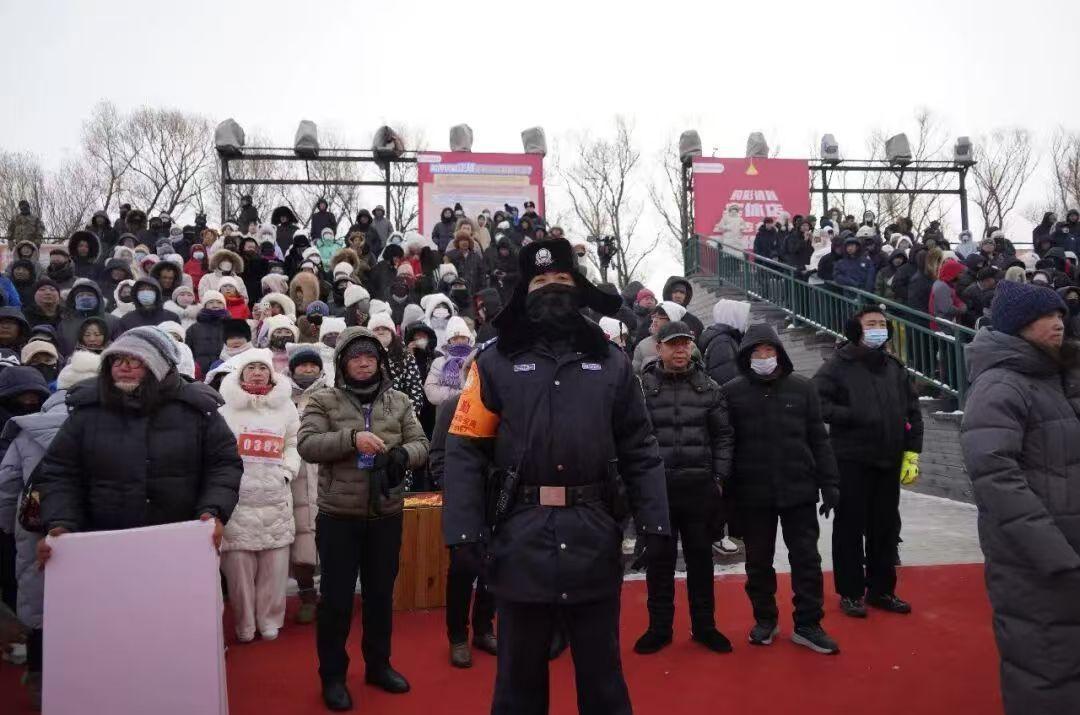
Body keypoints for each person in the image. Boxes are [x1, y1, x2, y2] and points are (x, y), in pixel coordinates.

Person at [443, 240, 669, 715]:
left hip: (594, 533)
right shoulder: (494, 362)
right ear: (525, 291)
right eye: (541, 281)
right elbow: (465, 449)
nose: (552, 289)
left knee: (604, 684)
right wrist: (462, 532)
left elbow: (640, 447)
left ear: (579, 288)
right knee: (518, 687)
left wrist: (654, 522)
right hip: (519, 537)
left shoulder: (612, 362)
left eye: (563, 280)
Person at [960, 280, 1080, 715]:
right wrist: (1054, 553)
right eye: (1046, 316)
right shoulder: (1001, 385)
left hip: (1068, 551)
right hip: (1036, 562)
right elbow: (995, 475)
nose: (1058, 323)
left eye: (1060, 314)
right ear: (1018, 325)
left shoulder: (1059, 377)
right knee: (1045, 668)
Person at [35, 327, 243, 573]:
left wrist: (212, 510)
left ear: (160, 365)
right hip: (102, 545)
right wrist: (61, 521)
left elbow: (223, 465)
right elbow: (60, 472)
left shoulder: (197, 410)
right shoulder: (87, 411)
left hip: (178, 544)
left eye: (135, 360)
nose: (123, 367)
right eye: (117, 360)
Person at [297, 326, 429, 711]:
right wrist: (351, 438)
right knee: (336, 601)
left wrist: (402, 456)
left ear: (380, 361)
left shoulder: (399, 401)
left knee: (380, 596)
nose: (364, 363)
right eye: (355, 357)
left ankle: (379, 665)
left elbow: (421, 443)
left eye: (370, 356)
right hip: (339, 516)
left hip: (386, 512)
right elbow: (307, 445)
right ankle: (333, 676)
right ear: (342, 362)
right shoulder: (323, 400)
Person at [722, 323, 841, 654]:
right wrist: (727, 496)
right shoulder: (731, 393)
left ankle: (808, 624)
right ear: (746, 356)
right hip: (753, 494)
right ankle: (765, 619)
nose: (764, 356)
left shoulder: (802, 388)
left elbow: (819, 439)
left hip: (798, 489)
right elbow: (726, 445)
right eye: (757, 351)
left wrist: (830, 482)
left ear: (779, 353)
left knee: (806, 559)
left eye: (769, 350)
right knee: (758, 562)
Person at [0, 354, 99, 709]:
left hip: (33, 534)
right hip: (92, 532)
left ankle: (42, 687)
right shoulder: (108, 425)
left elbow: (6, 487)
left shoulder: (26, 430)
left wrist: (9, 529)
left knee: (40, 610)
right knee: (91, 612)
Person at [813, 308, 923, 618]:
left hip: (888, 459)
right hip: (851, 459)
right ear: (856, 329)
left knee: (884, 527)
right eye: (871, 324)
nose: (878, 328)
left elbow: (912, 411)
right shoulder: (838, 365)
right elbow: (817, 402)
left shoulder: (894, 368)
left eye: (882, 324)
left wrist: (912, 452)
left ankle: (882, 590)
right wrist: (851, 415)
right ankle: (850, 592)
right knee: (849, 527)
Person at [636, 321, 734, 655]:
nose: (680, 350)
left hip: (699, 490)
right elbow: (633, 437)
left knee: (701, 562)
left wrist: (719, 478)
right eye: (673, 344)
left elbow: (723, 436)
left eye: (685, 344)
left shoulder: (709, 387)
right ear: (659, 348)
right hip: (658, 492)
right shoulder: (642, 388)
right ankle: (659, 628)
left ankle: (705, 627)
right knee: (659, 564)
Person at [217, 349, 300, 643]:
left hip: (276, 495)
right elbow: (217, 449)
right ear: (241, 373)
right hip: (239, 499)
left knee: (274, 567)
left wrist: (287, 472)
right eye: (251, 368)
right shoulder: (225, 409)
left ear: (271, 374)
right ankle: (245, 623)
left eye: (262, 368)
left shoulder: (285, 407)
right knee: (239, 568)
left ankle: (270, 620)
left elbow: (294, 442)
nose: (257, 373)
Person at [285, 345, 328, 625]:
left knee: (331, 541)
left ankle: (331, 595)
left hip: (325, 472)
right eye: (302, 365)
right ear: (292, 369)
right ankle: (307, 597)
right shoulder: (281, 397)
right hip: (294, 475)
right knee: (300, 541)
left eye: (313, 365)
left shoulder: (331, 394)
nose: (308, 369)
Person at [697, 299, 750, 386]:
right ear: (733, 317)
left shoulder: (720, 336)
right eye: (742, 317)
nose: (745, 322)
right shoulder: (723, 342)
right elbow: (725, 377)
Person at [632, 301, 686, 373]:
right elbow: (635, 374)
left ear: (672, 320)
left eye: (660, 317)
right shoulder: (642, 345)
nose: (654, 321)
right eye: (654, 316)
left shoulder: (688, 345)